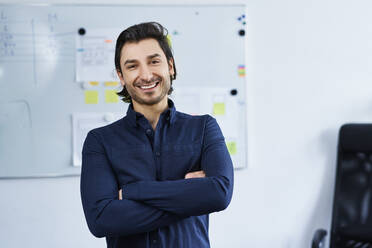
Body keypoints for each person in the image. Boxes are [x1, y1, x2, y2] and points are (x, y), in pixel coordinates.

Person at [80, 22, 234, 248]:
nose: (145, 74)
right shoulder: (100, 141)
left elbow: (219, 194)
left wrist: (134, 191)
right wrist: (191, 199)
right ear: (121, 77)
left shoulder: (203, 128)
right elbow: (101, 220)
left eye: (154, 61)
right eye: (132, 66)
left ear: (170, 66)